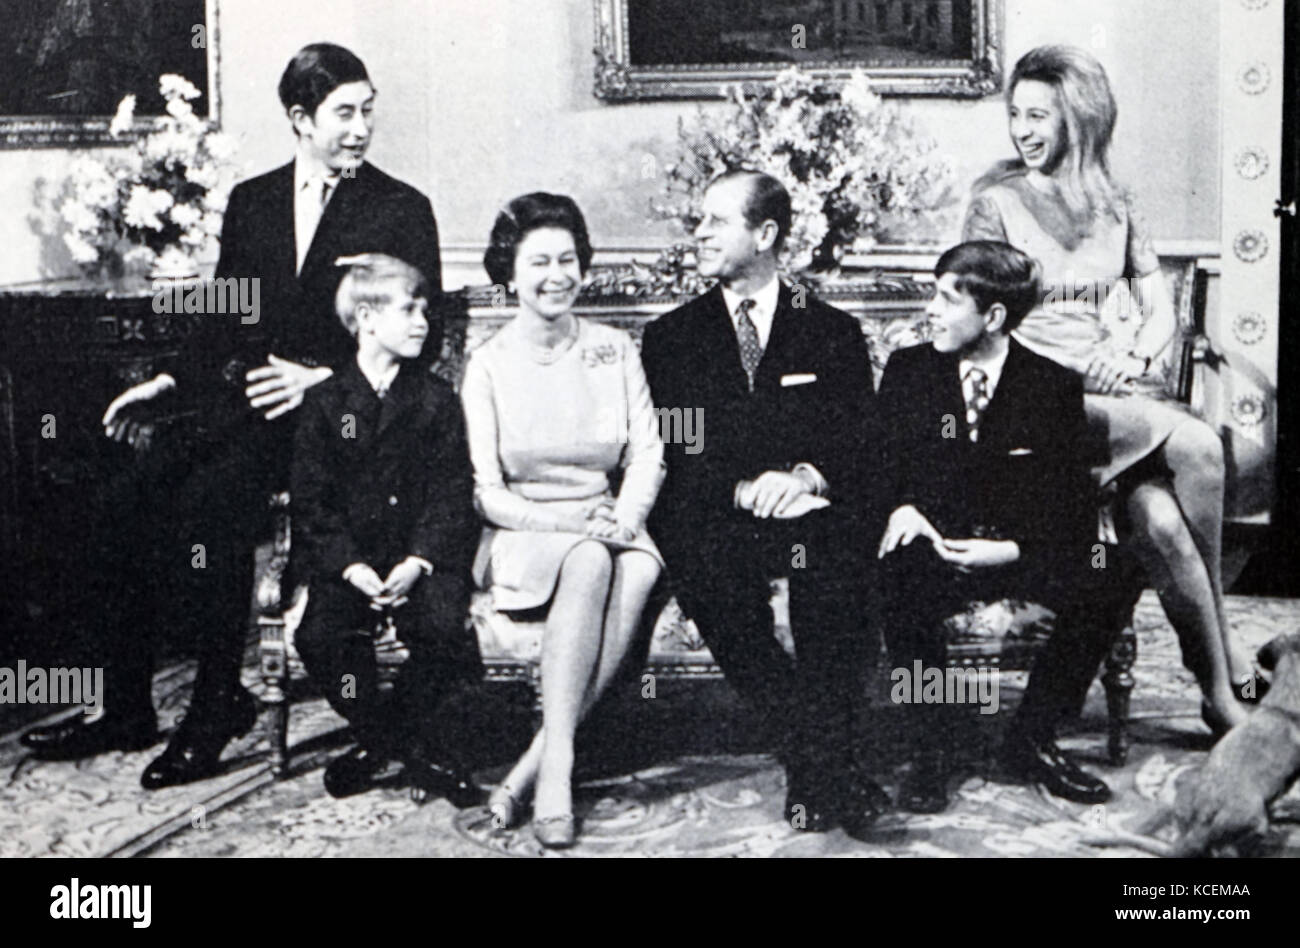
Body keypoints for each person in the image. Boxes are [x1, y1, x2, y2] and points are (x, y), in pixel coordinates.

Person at [20, 43, 447, 788]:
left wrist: (323, 379)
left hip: (341, 431)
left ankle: (217, 702)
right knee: (116, 499)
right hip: (246, 414)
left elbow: (426, 335)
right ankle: (125, 707)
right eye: (344, 112)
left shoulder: (401, 209)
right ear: (299, 118)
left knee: (208, 507)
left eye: (366, 110)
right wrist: (163, 381)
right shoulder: (253, 201)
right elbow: (225, 313)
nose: (360, 128)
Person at [962, 44, 1254, 734]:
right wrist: (1074, 372)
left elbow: (1159, 313)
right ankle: (1229, 646)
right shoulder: (995, 201)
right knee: (1200, 446)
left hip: (1113, 399)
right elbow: (985, 324)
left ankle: (1215, 691)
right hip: (1033, 399)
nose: (1023, 130)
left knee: (1159, 522)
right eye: (1016, 114)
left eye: (1040, 116)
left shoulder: (1116, 205)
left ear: (1081, 119)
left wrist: (1132, 352)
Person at [640, 170, 888, 839]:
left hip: (809, 513)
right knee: (707, 568)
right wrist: (743, 488)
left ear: (766, 234)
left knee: (835, 567)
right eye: (701, 220)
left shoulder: (832, 332)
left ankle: (816, 763)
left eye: (716, 222)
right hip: (716, 511)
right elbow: (678, 446)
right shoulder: (671, 338)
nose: (698, 233)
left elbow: (860, 441)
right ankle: (826, 757)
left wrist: (806, 477)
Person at [877, 241, 1116, 811]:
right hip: (934, 549)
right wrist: (900, 506)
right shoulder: (909, 370)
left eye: (945, 299)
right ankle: (930, 746)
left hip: (1016, 551)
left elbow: (1073, 499)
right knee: (899, 575)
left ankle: (1032, 736)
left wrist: (1011, 550)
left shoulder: (1051, 384)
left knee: (1113, 572)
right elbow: (874, 466)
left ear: (994, 316)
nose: (929, 310)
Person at [461, 193, 664, 848]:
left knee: (632, 569)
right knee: (590, 558)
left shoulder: (613, 348)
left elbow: (648, 452)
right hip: (523, 532)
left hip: (609, 522)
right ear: (510, 274)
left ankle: (531, 767)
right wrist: (570, 529)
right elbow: (485, 492)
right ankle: (557, 773)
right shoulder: (488, 365)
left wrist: (627, 518)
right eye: (539, 261)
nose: (557, 275)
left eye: (568, 259)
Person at [290, 254, 481, 805]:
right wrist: (350, 567)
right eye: (408, 309)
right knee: (319, 638)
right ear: (367, 319)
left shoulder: (436, 400)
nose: (423, 320)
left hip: (419, 561)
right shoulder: (325, 403)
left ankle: (384, 742)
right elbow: (311, 501)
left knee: (444, 631)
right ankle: (402, 743)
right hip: (349, 565)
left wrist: (419, 560)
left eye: (426, 308)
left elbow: (451, 489)